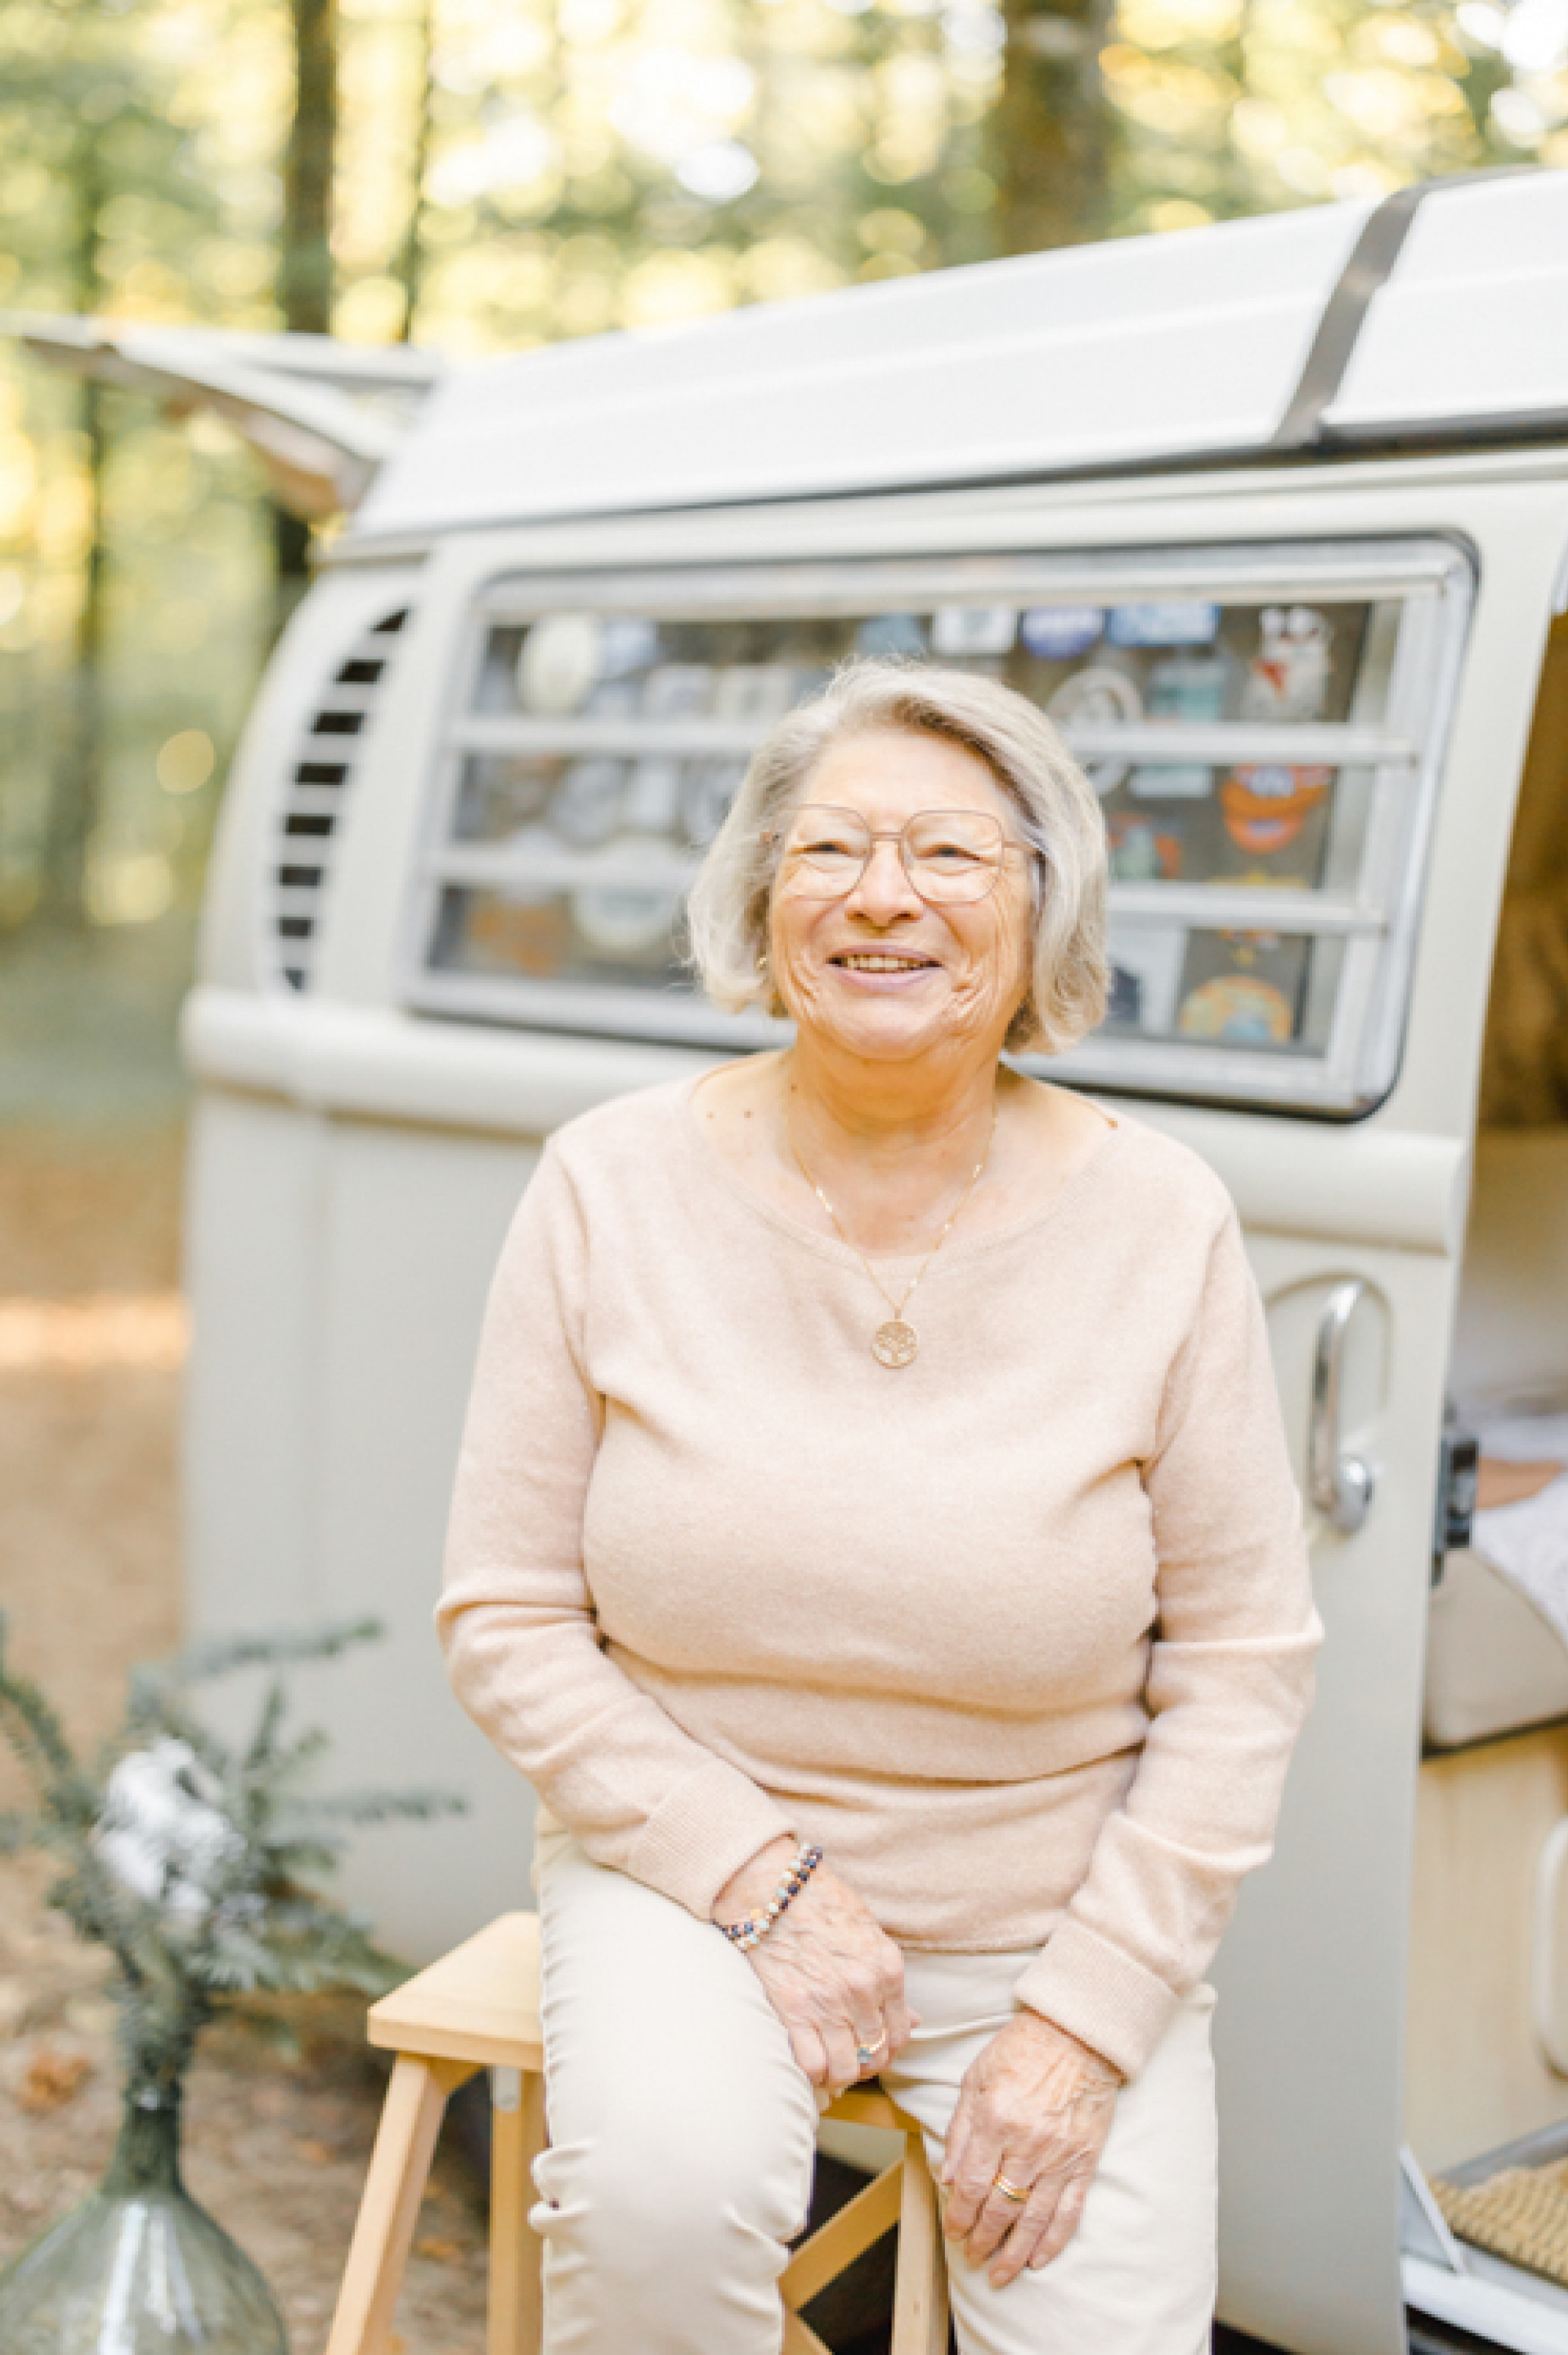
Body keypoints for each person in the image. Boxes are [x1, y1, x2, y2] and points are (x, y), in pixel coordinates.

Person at [438, 657, 1320, 2355]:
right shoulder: (606, 1189)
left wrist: (1085, 2024)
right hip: (695, 1877)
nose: (882, 899)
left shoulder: (1163, 1221)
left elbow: (1242, 1663)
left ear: (1039, 909)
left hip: (1049, 1914)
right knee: (655, 2204)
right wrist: (758, 1879)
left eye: (951, 857)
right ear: (764, 896)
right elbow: (508, 1615)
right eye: (830, 850)